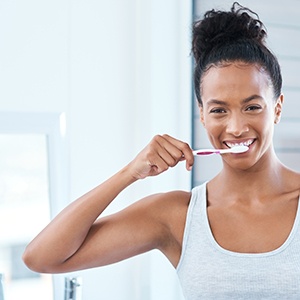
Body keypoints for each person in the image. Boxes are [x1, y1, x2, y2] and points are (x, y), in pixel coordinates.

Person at [23, 2, 300, 299]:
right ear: (202, 114)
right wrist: (129, 173)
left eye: (252, 107)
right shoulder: (176, 216)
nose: (235, 127)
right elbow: (42, 257)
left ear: (277, 108)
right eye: (219, 110)